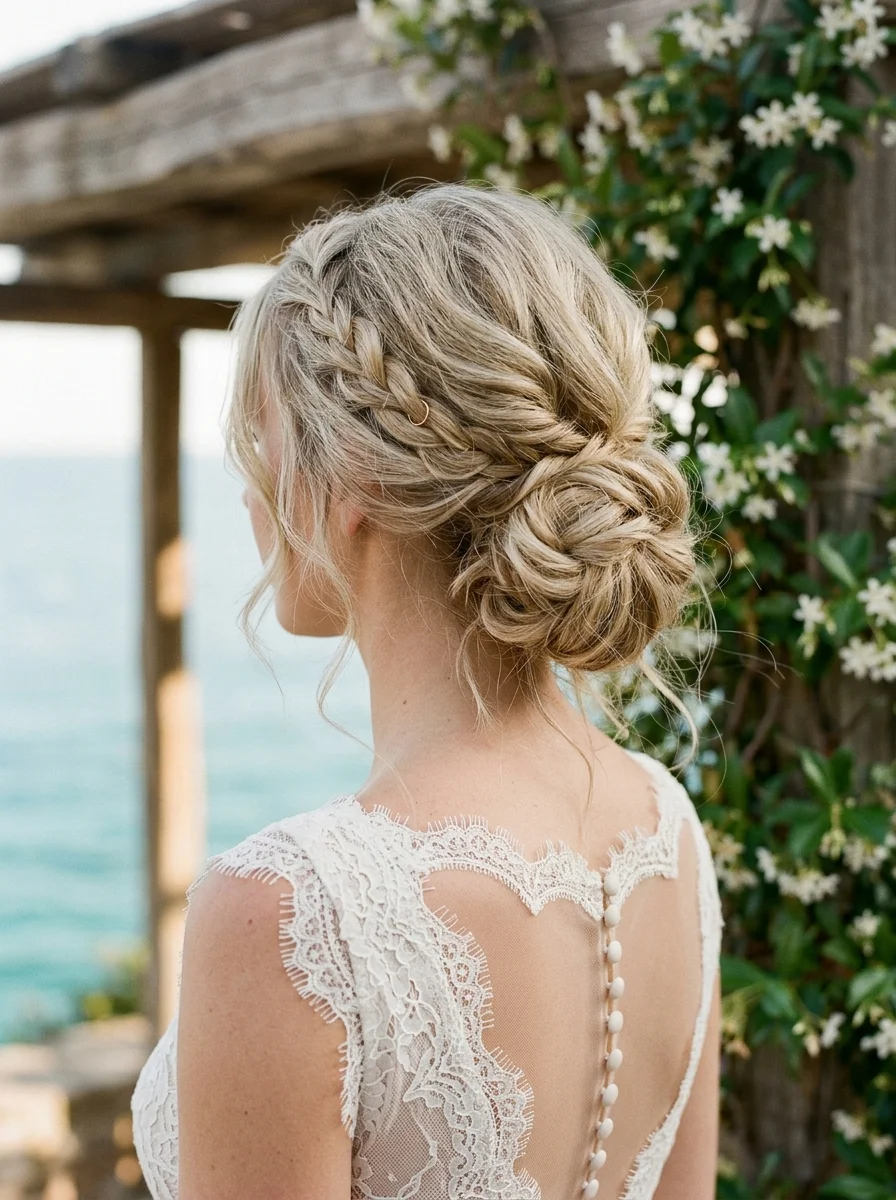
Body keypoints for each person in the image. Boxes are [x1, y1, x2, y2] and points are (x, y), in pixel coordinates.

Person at [131, 180, 723, 1200]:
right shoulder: (663, 827)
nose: (245, 485)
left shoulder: (289, 910)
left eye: (262, 436)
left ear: (350, 472)